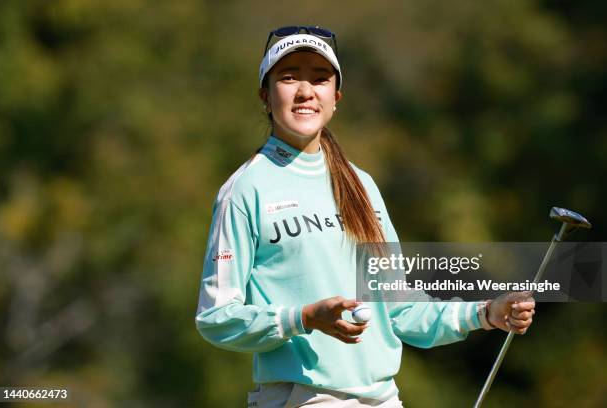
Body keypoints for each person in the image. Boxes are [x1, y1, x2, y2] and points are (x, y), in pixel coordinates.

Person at [195, 26, 536, 407]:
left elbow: (400, 307)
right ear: (265, 94)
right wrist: (304, 317)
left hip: (383, 398)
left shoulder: (361, 185)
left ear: (335, 97)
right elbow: (218, 318)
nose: (306, 91)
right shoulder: (245, 190)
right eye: (289, 77)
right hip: (304, 399)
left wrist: (485, 313)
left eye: (320, 79)